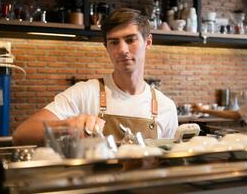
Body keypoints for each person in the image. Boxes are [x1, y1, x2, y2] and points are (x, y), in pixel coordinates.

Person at [13, 8, 178, 146]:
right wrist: (66, 126)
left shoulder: (166, 107)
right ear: (106, 47)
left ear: (148, 42)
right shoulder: (85, 93)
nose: (122, 49)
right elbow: (22, 134)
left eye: (130, 40)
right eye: (114, 42)